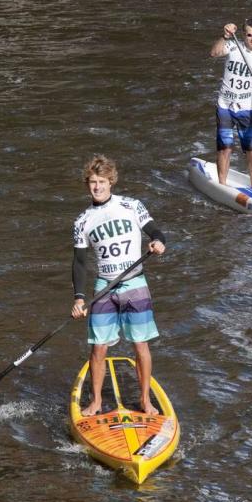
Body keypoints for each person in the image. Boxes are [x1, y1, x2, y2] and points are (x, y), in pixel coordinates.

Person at [71, 155, 166, 417]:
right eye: (92, 182)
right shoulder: (82, 221)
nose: (97, 187)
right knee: (98, 348)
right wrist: (79, 299)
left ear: (111, 181)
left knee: (140, 346)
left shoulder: (132, 206)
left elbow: (157, 232)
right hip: (104, 287)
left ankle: (145, 400)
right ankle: (96, 401)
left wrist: (158, 243)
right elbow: (79, 263)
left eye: (102, 181)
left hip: (134, 283)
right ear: (87, 184)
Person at [210, 19, 252, 187]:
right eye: (249, 35)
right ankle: (222, 186)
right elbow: (214, 53)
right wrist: (224, 37)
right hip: (225, 104)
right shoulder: (233, 46)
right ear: (243, 35)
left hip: (247, 108)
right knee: (225, 146)